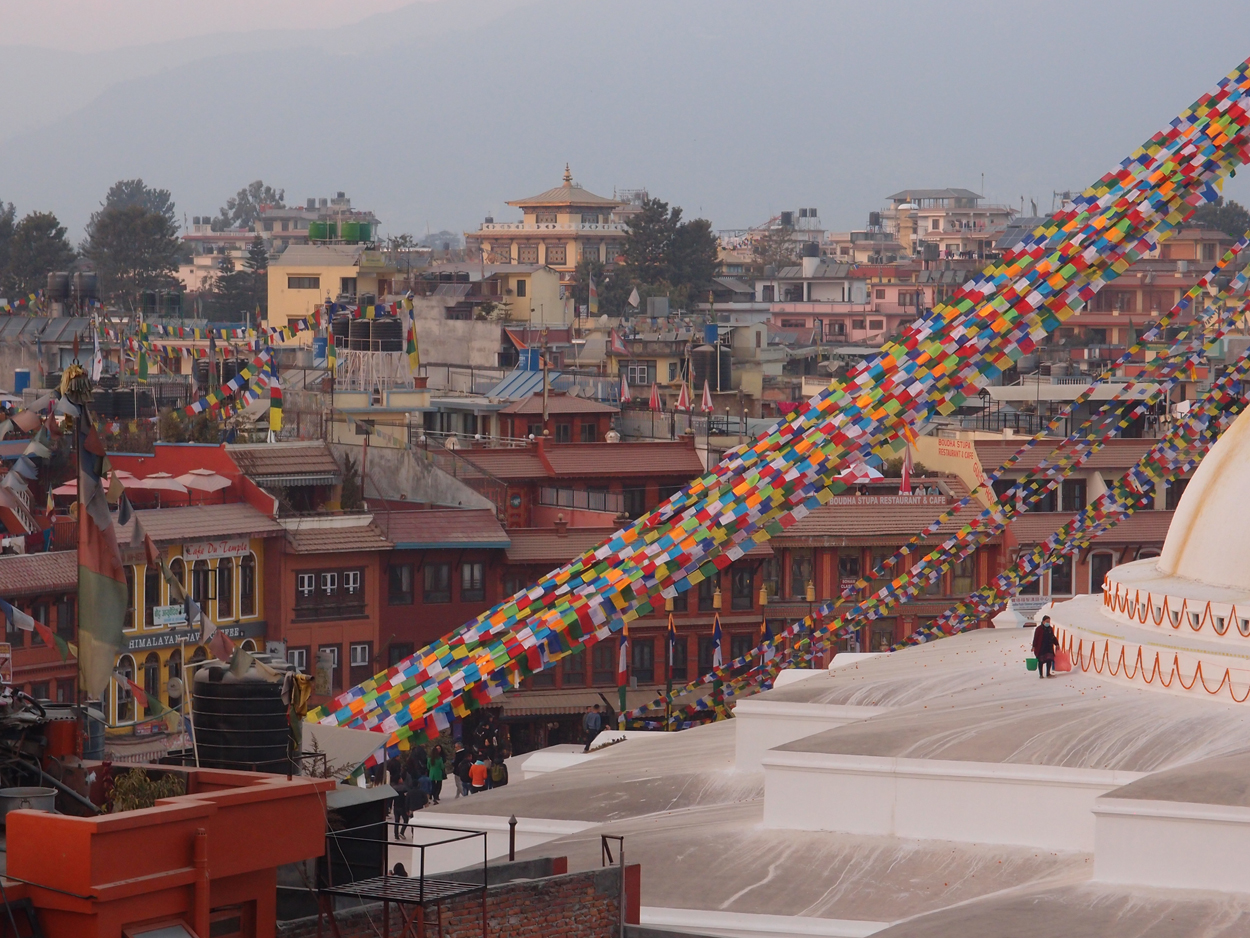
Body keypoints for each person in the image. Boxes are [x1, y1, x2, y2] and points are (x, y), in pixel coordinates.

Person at [1033, 615, 1058, 679]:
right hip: (1041, 647)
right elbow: (1035, 638)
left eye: (1049, 621)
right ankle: (1041, 674)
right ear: (1043, 621)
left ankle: (1048, 673)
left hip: (1049, 646)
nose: (1048, 623)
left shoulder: (1050, 629)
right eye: (1047, 621)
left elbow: (1053, 637)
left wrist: (1056, 644)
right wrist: (1034, 646)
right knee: (1041, 661)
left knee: (1049, 660)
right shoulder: (1039, 629)